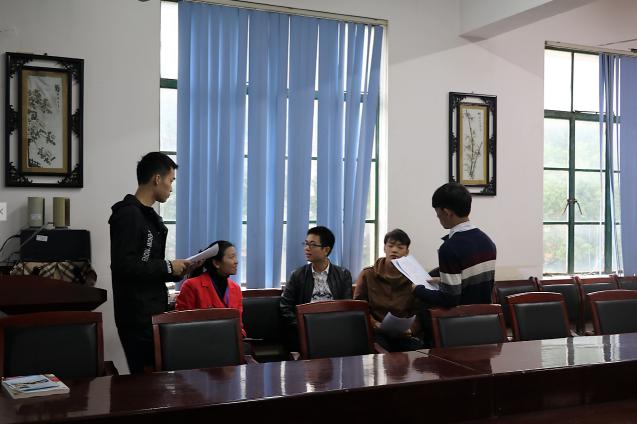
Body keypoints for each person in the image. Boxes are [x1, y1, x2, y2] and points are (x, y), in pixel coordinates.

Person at [109, 152, 192, 374]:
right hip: (136, 316)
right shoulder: (128, 215)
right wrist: (167, 266)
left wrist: (176, 271)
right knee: (146, 379)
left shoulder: (149, 217)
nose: (171, 188)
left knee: (160, 377)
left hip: (152, 310)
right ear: (157, 178)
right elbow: (125, 266)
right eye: (171, 180)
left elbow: (147, 264)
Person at [412, 182, 496, 345]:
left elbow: (450, 299)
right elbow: (475, 284)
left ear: (447, 212)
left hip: (460, 330)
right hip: (486, 325)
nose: (438, 218)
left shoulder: (450, 248)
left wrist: (418, 290)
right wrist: (443, 280)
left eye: (437, 214)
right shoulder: (487, 242)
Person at [280, 226, 353, 350]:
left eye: (313, 245)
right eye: (306, 244)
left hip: (334, 330)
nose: (307, 248)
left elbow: (347, 307)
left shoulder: (343, 275)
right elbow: (285, 308)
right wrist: (303, 326)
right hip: (305, 331)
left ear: (326, 250)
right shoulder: (297, 275)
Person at [354, 229, 423, 352]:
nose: (394, 250)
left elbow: (419, 310)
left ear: (407, 252)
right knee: (380, 350)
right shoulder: (368, 274)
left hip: (404, 333)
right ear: (384, 248)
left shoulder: (414, 278)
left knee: (417, 353)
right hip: (375, 331)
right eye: (390, 246)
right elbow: (359, 307)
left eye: (400, 247)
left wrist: (411, 329)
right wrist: (374, 324)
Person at [175, 240, 246, 337]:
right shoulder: (191, 285)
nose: (236, 261)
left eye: (235, 256)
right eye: (231, 257)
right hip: (201, 340)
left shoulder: (236, 288)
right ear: (216, 263)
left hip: (230, 340)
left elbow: (239, 325)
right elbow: (182, 323)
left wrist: (240, 337)